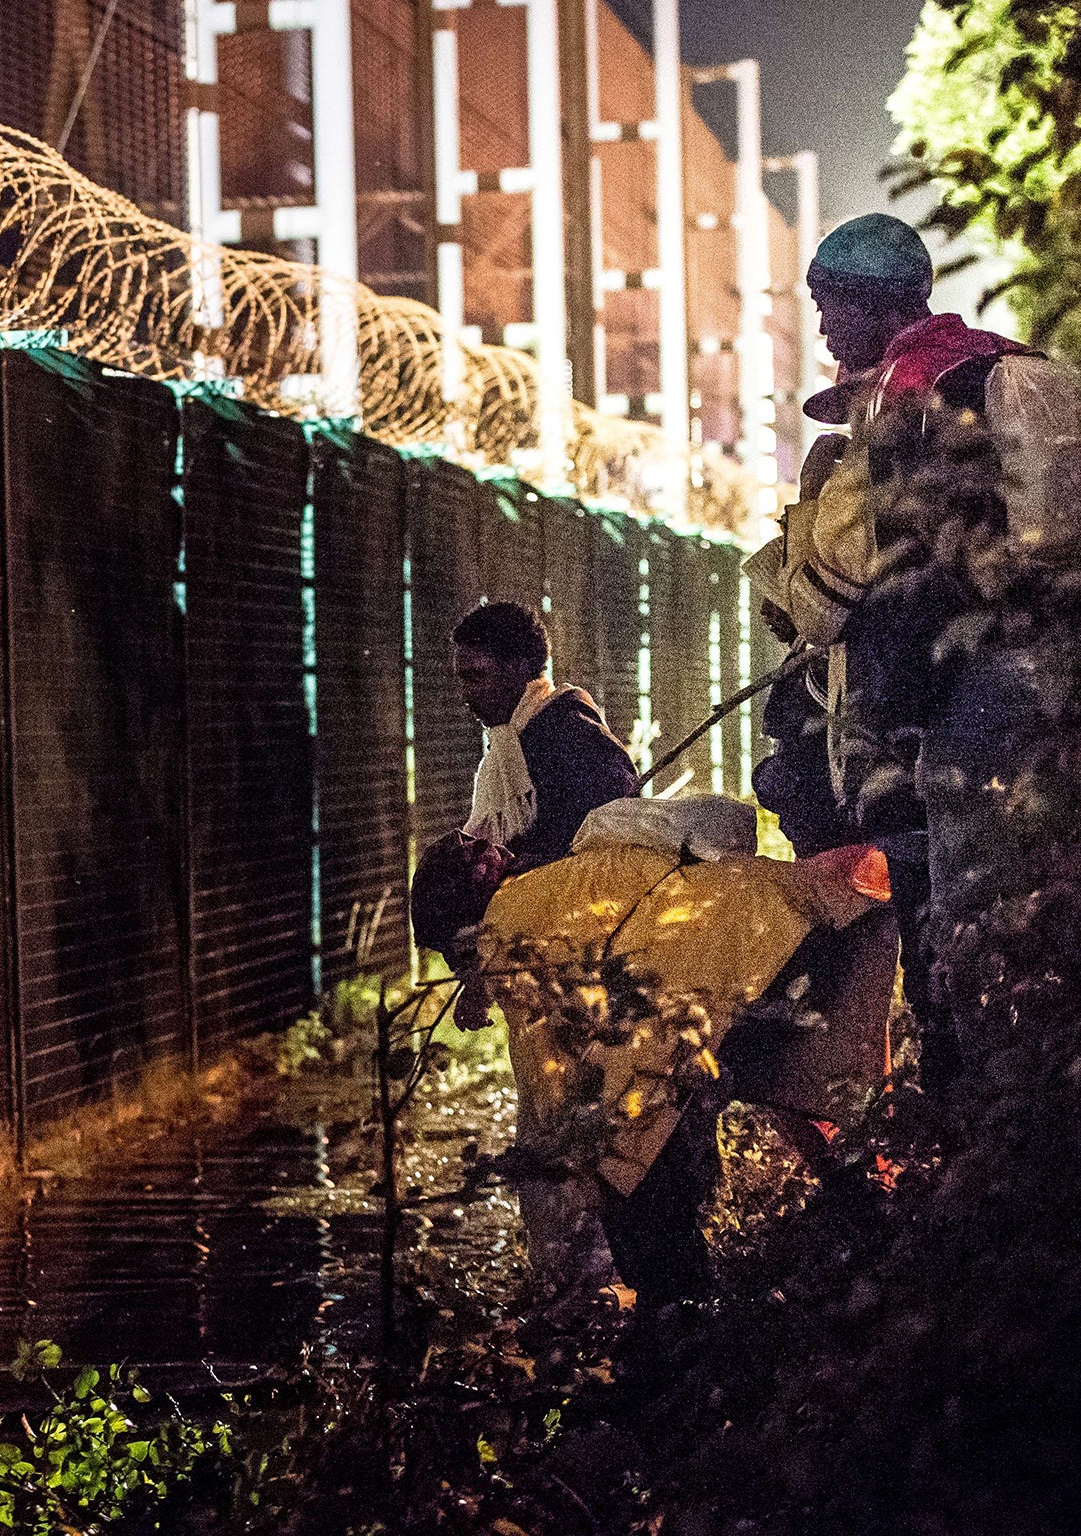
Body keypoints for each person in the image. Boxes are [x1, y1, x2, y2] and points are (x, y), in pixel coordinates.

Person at [766, 210, 1066, 1083]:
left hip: (969, 694)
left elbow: (843, 586)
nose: (824, 329)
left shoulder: (906, 391)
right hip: (1049, 676)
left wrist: (807, 518)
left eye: (829, 307)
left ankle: (979, 1121)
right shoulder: (1012, 367)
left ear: (870, 303)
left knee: (962, 918)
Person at [411, 804, 895, 1310]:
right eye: (470, 851)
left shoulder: (514, 921)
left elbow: (548, 1079)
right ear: (475, 883)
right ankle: (868, 1214)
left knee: (622, 1162)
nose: (487, 843)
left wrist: (557, 1186)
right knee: (788, 1089)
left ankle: (679, 1312)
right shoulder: (573, 869)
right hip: (793, 925)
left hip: (726, 981)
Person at [452, 601, 638, 872]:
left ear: (518, 668)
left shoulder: (571, 735)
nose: (465, 695)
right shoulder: (511, 744)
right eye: (462, 679)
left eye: (476, 677)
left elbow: (607, 848)